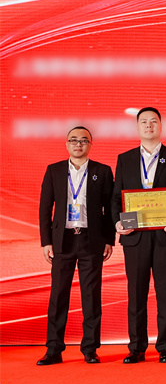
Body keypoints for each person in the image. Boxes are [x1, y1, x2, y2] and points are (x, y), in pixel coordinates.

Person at [112, 107, 166, 364]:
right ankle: (136, 347)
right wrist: (117, 223)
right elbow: (116, 197)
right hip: (134, 236)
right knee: (136, 293)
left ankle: (165, 347)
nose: (149, 125)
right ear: (137, 127)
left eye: (153, 121)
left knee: (165, 291)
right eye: (144, 122)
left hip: (165, 235)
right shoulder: (124, 159)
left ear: (160, 126)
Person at [37, 126, 115, 365]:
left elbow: (109, 208)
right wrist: (46, 241)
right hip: (62, 240)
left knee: (91, 295)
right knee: (58, 295)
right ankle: (54, 349)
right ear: (67, 144)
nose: (78, 144)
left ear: (90, 144)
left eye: (83, 140)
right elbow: (45, 208)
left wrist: (109, 239)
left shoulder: (102, 171)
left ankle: (90, 348)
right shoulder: (54, 170)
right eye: (73, 140)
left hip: (92, 239)